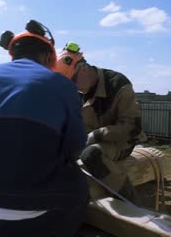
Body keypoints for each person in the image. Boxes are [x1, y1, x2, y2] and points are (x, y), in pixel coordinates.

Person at [0, 21, 89, 237]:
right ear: (49, 57)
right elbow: (75, 146)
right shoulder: (62, 85)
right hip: (36, 213)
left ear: (12, 54)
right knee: (79, 187)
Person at [52, 42, 144, 202]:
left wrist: (97, 134)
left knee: (92, 155)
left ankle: (130, 200)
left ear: (84, 68)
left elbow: (132, 127)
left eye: (73, 81)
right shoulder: (77, 91)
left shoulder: (117, 83)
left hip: (122, 142)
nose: (72, 86)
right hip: (88, 141)